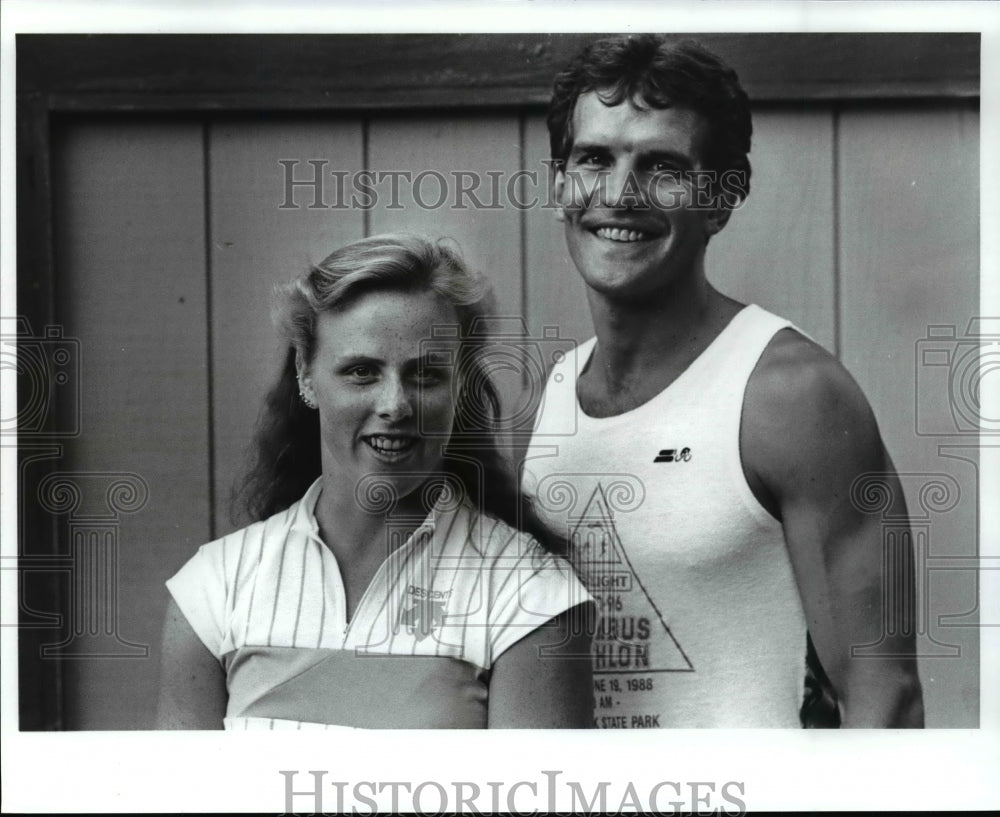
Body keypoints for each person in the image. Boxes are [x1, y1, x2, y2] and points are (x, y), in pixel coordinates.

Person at [520, 35, 924, 728]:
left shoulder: (790, 394)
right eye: (594, 159)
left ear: (723, 198)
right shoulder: (546, 397)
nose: (619, 194)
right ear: (560, 186)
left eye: (662, 165)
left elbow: (884, 696)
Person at [157, 233, 594, 730]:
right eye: (362, 372)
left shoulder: (529, 596)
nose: (395, 405)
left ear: (460, 385)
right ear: (306, 374)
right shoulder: (214, 589)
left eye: (426, 374)